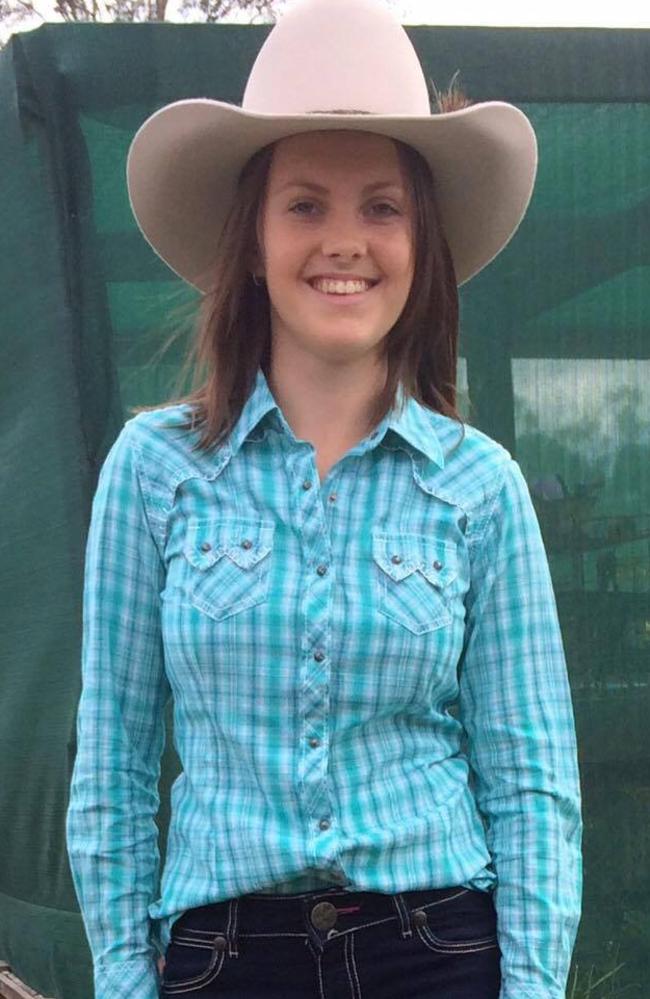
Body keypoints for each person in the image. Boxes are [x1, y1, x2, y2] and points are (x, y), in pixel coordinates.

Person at [65, 0, 583, 997]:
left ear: (419, 243)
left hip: (437, 950)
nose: (342, 240)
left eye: (380, 207)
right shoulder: (152, 469)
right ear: (250, 244)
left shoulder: (479, 488)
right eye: (304, 204)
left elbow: (530, 785)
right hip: (221, 958)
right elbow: (114, 774)